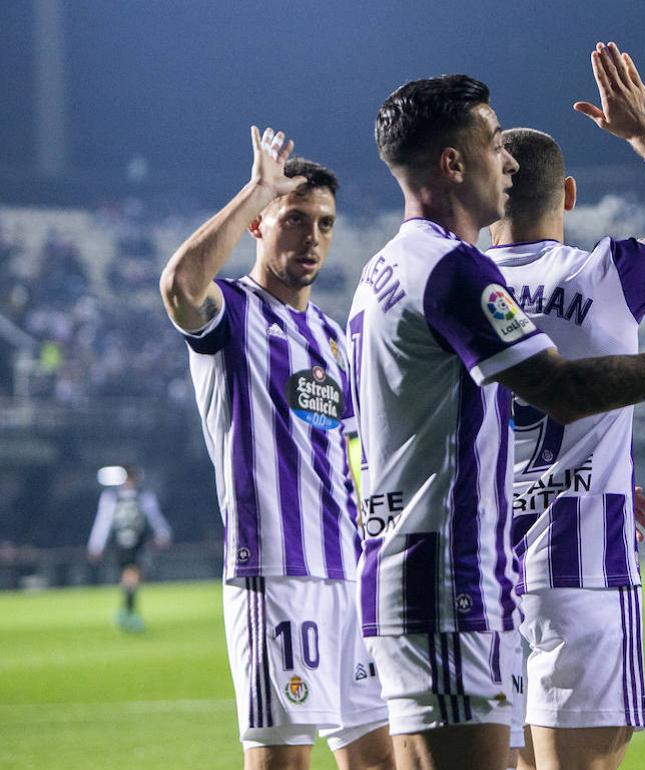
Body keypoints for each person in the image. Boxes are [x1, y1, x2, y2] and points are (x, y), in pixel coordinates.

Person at [349, 65, 645, 770]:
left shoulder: (383, 269)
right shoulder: (480, 269)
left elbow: (461, 417)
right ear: (454, 163)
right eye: (488, 143)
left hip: (433, 565)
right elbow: (559, 390)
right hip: (482, 571)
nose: (501, 158)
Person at [485, 42, 645, 770]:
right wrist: (644, 134)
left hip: (479, 575)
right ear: (566, 195)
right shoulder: (609, 270)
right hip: (582, 572)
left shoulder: (448, 289)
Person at [159, 127, 393, 770]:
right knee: (282, 764)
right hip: (279, 576)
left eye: (323, 223)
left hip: (349, 577)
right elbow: (179, 286)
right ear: (259, 227)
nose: (311, 236)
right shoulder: (231, 313)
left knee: (387, 761)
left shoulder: (329, 336)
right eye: (293, 220)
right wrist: (258, 188)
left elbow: (345, 462)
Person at [87, 464, 172, 633]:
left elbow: (103, 522)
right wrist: (163, 533)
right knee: (132, 575)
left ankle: (126, 611)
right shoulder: (142, 496)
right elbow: (154, 517)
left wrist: (96, 544)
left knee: (129, 576)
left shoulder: (112, 496)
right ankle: (127, 612)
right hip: (133, 543)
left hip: (123, 542)